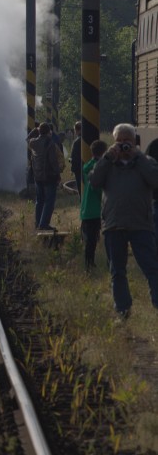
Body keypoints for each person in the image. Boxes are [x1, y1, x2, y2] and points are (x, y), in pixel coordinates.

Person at [89, 123, 158, 319]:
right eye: (119, 141)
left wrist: (138, 157)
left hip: (140, 224)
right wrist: (107, 157)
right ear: (113, 142)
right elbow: (94, 182)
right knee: (117, 270)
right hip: (114, 223)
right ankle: (123, 308)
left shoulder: (145, 161)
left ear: (134, 142)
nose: (123, 145)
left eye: (126, 141)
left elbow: (155, 180)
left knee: (151, 266)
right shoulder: (108, 163)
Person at [28, 122, 64, 230]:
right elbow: (53, 162)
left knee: (39, 201)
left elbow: (28, 138)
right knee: (49, 201)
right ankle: (43, 224)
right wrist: (58, 174)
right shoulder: (50, 143)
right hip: (49, 176)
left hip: (37, 176)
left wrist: (36, 130)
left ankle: (38, 223)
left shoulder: (33, 142)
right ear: (49, 132)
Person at [79, 139, 108, 272]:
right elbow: (99, 190)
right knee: (92, 240)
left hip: (86, 209)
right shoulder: (99, 168)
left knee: (89, 239)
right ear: (104, 152)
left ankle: (89, 262)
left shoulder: (87, 165)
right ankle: (89, 264)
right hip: (95, 209)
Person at [70, 121, 82, 196]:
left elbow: (74, 156)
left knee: (81, 189)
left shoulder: (77, 142)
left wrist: (73, 169)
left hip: (79, 169)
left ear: (77, 130)